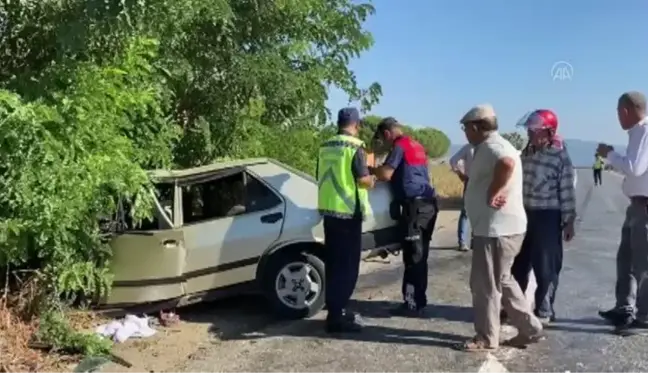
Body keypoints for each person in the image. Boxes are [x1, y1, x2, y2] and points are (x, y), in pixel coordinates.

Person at [457, 104, 543, 351]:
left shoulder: (494, 147)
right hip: (501, 228)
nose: (465, 132)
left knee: (485, 285)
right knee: (502, 279)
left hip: (496, 230)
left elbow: (506, 163)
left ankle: (486, 337)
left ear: (475, 127)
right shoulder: (490, 146)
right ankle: (530, 328)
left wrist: (495, 191)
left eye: (466, 128)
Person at [511, 109, 576, 325]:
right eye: (529, 129)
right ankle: (514, 308)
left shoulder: (559, 157)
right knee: (518, 263)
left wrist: (569, 221)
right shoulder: (525, 154)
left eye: (534, 130)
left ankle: (544, 309)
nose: (530, 133)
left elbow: (566, 190)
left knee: (546, 265)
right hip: (523, 214)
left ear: (548, 132)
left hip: (547, 216)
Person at [369, 117, 438, 317]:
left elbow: (386, 174)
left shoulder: (399, 147)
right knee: (420, 255)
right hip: (427, 206)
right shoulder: (415, 144)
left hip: (415, 207)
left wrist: (372, 169)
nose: (385, 142)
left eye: (383, 138)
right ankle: (418, 300)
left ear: (388, 133)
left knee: (413, 256)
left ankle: (412, 303)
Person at [316, 107, 375, 333]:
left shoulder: (325, 146)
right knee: (348, 267)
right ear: (356, 125)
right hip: (349, 214)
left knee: (333, 264)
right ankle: (336, 317)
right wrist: (372, 180)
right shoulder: (355, 147)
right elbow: (362, 179)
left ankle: (335, 309)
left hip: (329, 212)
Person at [597, 91, 648, 334]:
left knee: (642, 263)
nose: (618, 118)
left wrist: (609, 154)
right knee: (626, 260)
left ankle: (645, 315)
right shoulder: (638, 132)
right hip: (636, 206)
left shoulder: (643, 130)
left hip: (645, 207)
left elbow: (634, 168)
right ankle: (624, 307)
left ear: (626, 111)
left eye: (618, 113)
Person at [449, 144, 474, 252]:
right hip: (471, 181)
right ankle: (462, 242)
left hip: (485, 183)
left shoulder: (487, 146)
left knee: (480, 213)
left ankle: (475, 240)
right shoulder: (469, 147)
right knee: (466, 212)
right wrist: (460, 174)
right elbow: (453, 160)